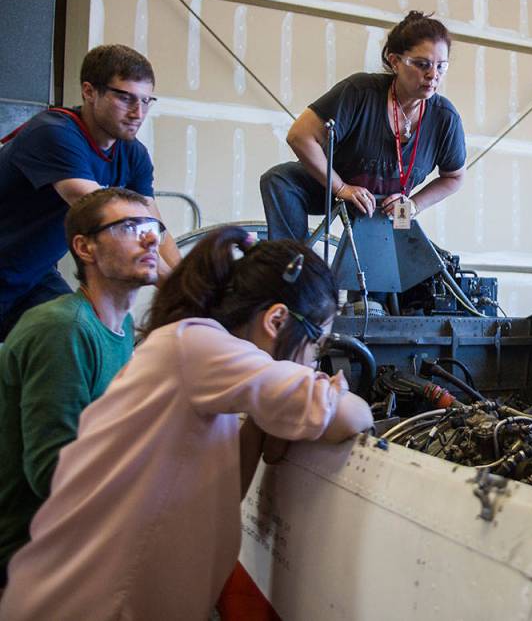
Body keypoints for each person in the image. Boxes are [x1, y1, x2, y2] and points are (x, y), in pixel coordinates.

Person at [0, 227, 373, 619]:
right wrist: (319, 393)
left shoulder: (196, 352)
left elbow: (223, 490)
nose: (313, 362)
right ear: (277, 320)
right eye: (318, 344)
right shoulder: (201, 348)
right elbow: (352, 415)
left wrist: (266, 421)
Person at [0, 187, 161, 592]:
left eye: (153, 226)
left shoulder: (120, 329)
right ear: (85, 248)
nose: (151, 238)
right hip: (31, 560)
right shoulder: (64, 328)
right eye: (129, 227)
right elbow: (53, 471)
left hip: (74, 547)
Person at [0, 44, 180, 341]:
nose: (138, 113)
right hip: (10, 268)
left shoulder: (133, 154)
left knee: (80, 336)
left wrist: (194, 284)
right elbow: (104, 214)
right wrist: (188, 295)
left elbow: (155, 230)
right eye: (125, 98)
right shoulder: (54, 133)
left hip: (33, 277)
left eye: (146, 101)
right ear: (89, 91)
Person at [260, 11, 467, 240]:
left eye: (441, 67)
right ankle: (295, 266)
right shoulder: (359, 92)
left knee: (403, 265)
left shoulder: (445, 118)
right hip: (336, 188)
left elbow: (454, 177)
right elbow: (299, 136)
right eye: (422, 64)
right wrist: (340, 188)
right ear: (395, 61)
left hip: (390, 207)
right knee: (279, 178)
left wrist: (414, 205)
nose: (432, 75)